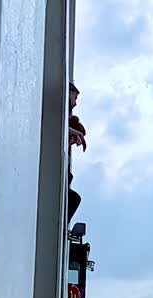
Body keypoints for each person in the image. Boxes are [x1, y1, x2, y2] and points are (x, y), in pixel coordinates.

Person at [67, 82, 86, 220]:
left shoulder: (67, 116)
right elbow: (59, 125)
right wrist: (77, 134)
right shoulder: (61, 111)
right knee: (74, 199)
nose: (75, 103)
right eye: (75, 98)